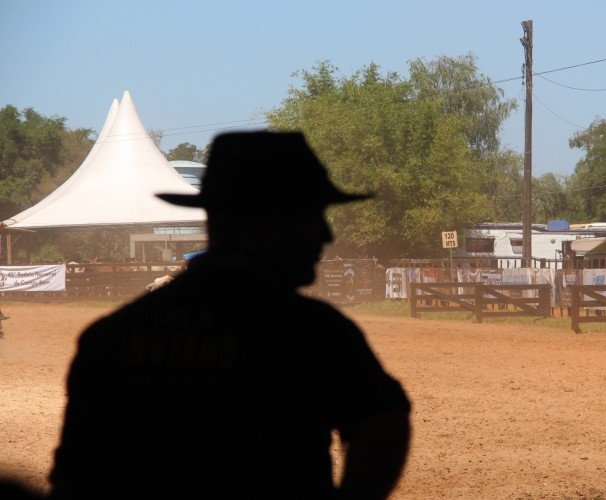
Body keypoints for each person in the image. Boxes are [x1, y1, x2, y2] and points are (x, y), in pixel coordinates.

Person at [49, 131, 411, 499]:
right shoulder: (310, 330)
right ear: (269, 222)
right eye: (312, 215)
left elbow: (76, 477)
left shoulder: (111, 336)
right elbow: (383, 424)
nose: (327, 235)